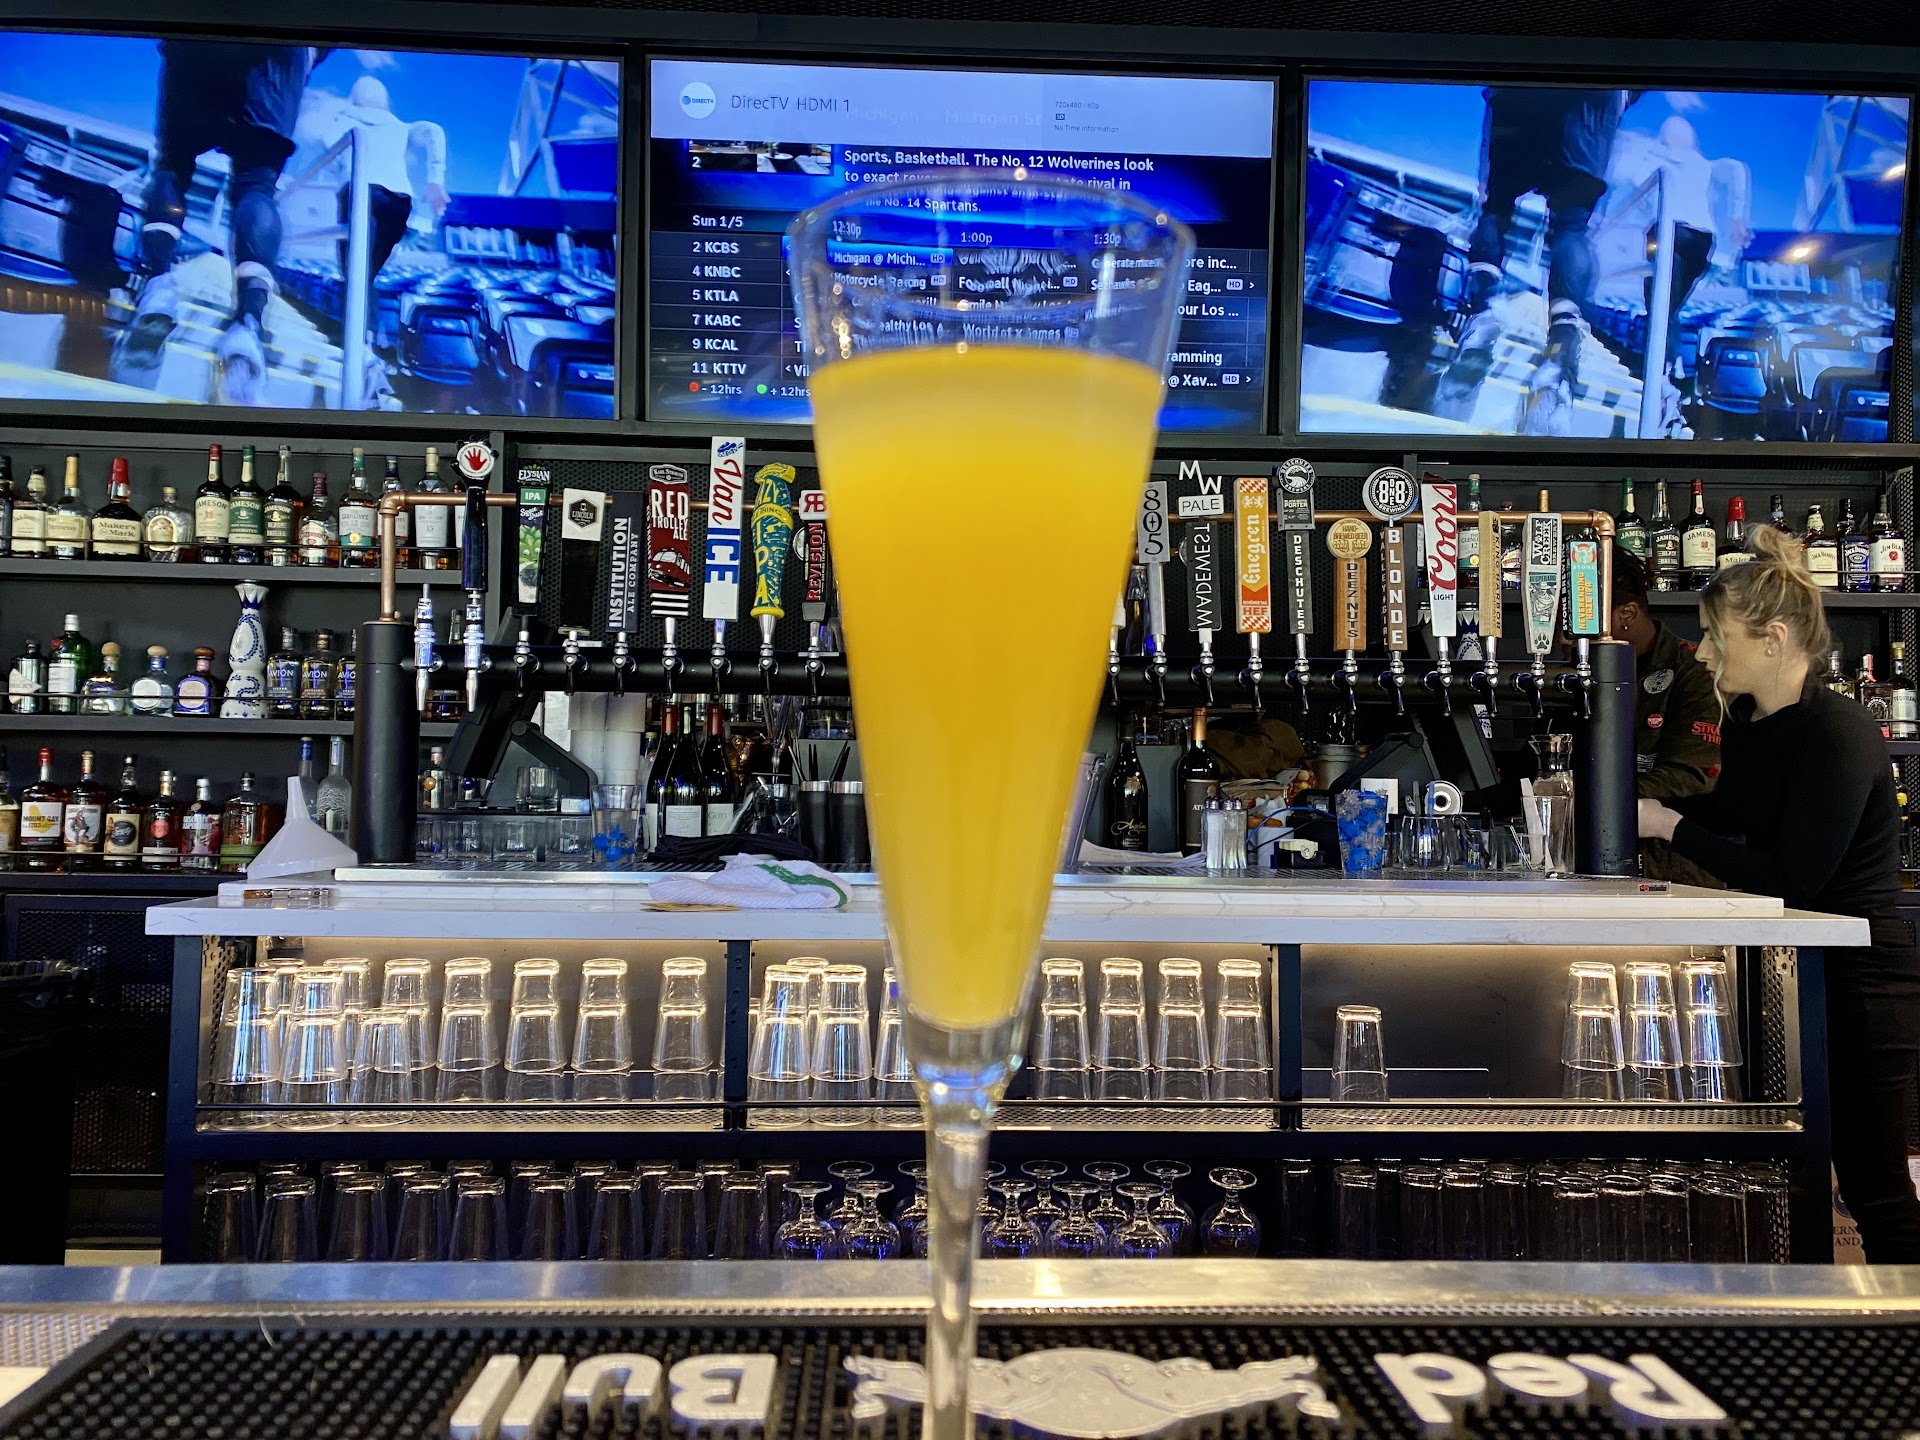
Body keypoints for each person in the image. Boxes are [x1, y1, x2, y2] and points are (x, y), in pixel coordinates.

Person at [1637, 524, 1920, 1262]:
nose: (1702, 653)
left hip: (1862, 979)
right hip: (1793, 971)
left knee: (1875, 1188)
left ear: (1773, 639)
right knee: (1788, 1170)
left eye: (1715, 635)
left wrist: (1667, 824)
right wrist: (1624, 807)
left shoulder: (1838, 732)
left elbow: (1796, 878)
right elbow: (1731, 818)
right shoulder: (1750, 722)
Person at [111, 39, 316, 405]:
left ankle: (159, 287)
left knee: (173, 162)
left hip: (201, 32)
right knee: (257, 184)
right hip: (282, 45)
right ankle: (247, 326)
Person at [1434, 86, 1628, 436]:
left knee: (1496, 206)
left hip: (1522, 85)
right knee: (1572, 224)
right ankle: (1561, 350)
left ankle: (1483, 315)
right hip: (1594, 91)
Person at [1608, 546, 1720, 884]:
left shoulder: (1695, 671)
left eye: (1568, 623)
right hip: (1590, 860)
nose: (1560, 637)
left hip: (1676, 870)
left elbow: (1690, 775)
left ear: (1627, 614)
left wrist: (1586, 797)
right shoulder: (1577, 673)